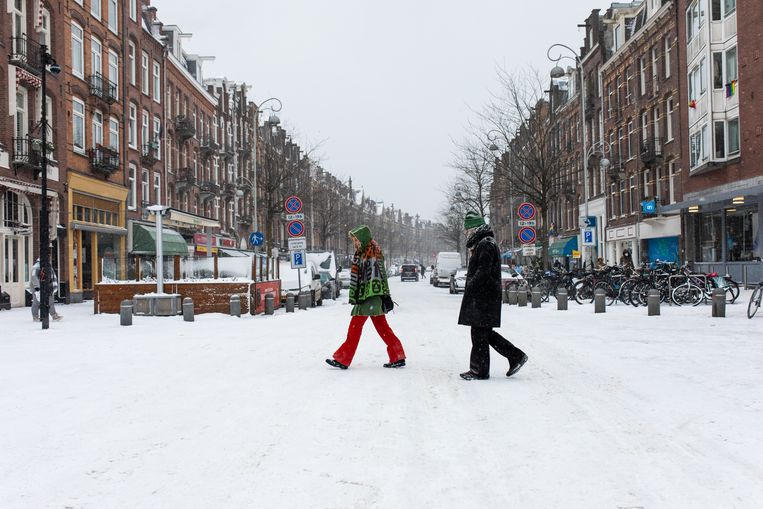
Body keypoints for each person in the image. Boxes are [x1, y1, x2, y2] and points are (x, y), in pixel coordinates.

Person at [458, 212, 527, 380]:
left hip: (483, 297)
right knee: (484, 333)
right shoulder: (485, 243)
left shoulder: (485, 244)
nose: (467, 233)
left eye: (468, 230)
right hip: (485, 297)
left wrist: (471, 286)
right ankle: (515, 356)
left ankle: (479, 370)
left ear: (474, 229)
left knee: (479, 333)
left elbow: (483, 271)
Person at [326, 225, 406, 370]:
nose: (355, 243)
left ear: (362, 239)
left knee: (355, 327)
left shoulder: (371, 253)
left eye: (356, 240)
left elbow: (375, 277)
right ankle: (397, 355)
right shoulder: (365, 251)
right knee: (382, 327)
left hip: (369, 296)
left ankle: (343, 358)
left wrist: (366, 295)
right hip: (370, 296)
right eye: (354, 240)